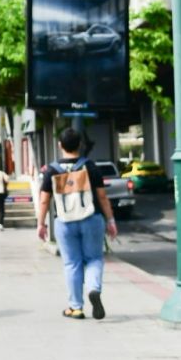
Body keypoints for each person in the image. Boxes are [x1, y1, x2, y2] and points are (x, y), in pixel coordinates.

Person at [35, 127, 117, 319]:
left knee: (72, 263)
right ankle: (93, 288)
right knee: (94, 259)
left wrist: (41, 224)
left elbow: (44, 200)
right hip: (91, 219)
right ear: (80, 145)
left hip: (65, 222)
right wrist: (110, 220)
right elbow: (102, 197)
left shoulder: (52, 170)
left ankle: (76, 307)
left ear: (60, 145)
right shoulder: (90, 166)